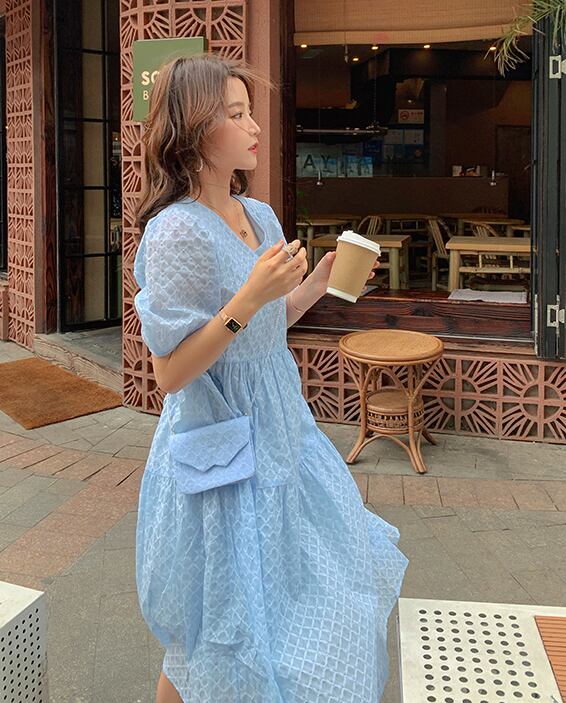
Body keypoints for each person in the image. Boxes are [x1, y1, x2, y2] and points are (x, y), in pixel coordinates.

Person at [133, 52, 408, 703]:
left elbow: (265, 328)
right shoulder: (175, 233)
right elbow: (169, 372)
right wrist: (248, 297)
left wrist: (315, 285)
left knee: (313, 592)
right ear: (196, 130)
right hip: (221, 446)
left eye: (249, 111)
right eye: (235, 114)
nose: (254, 126)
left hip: (284, 433)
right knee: (215, 628)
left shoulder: (259, 216)